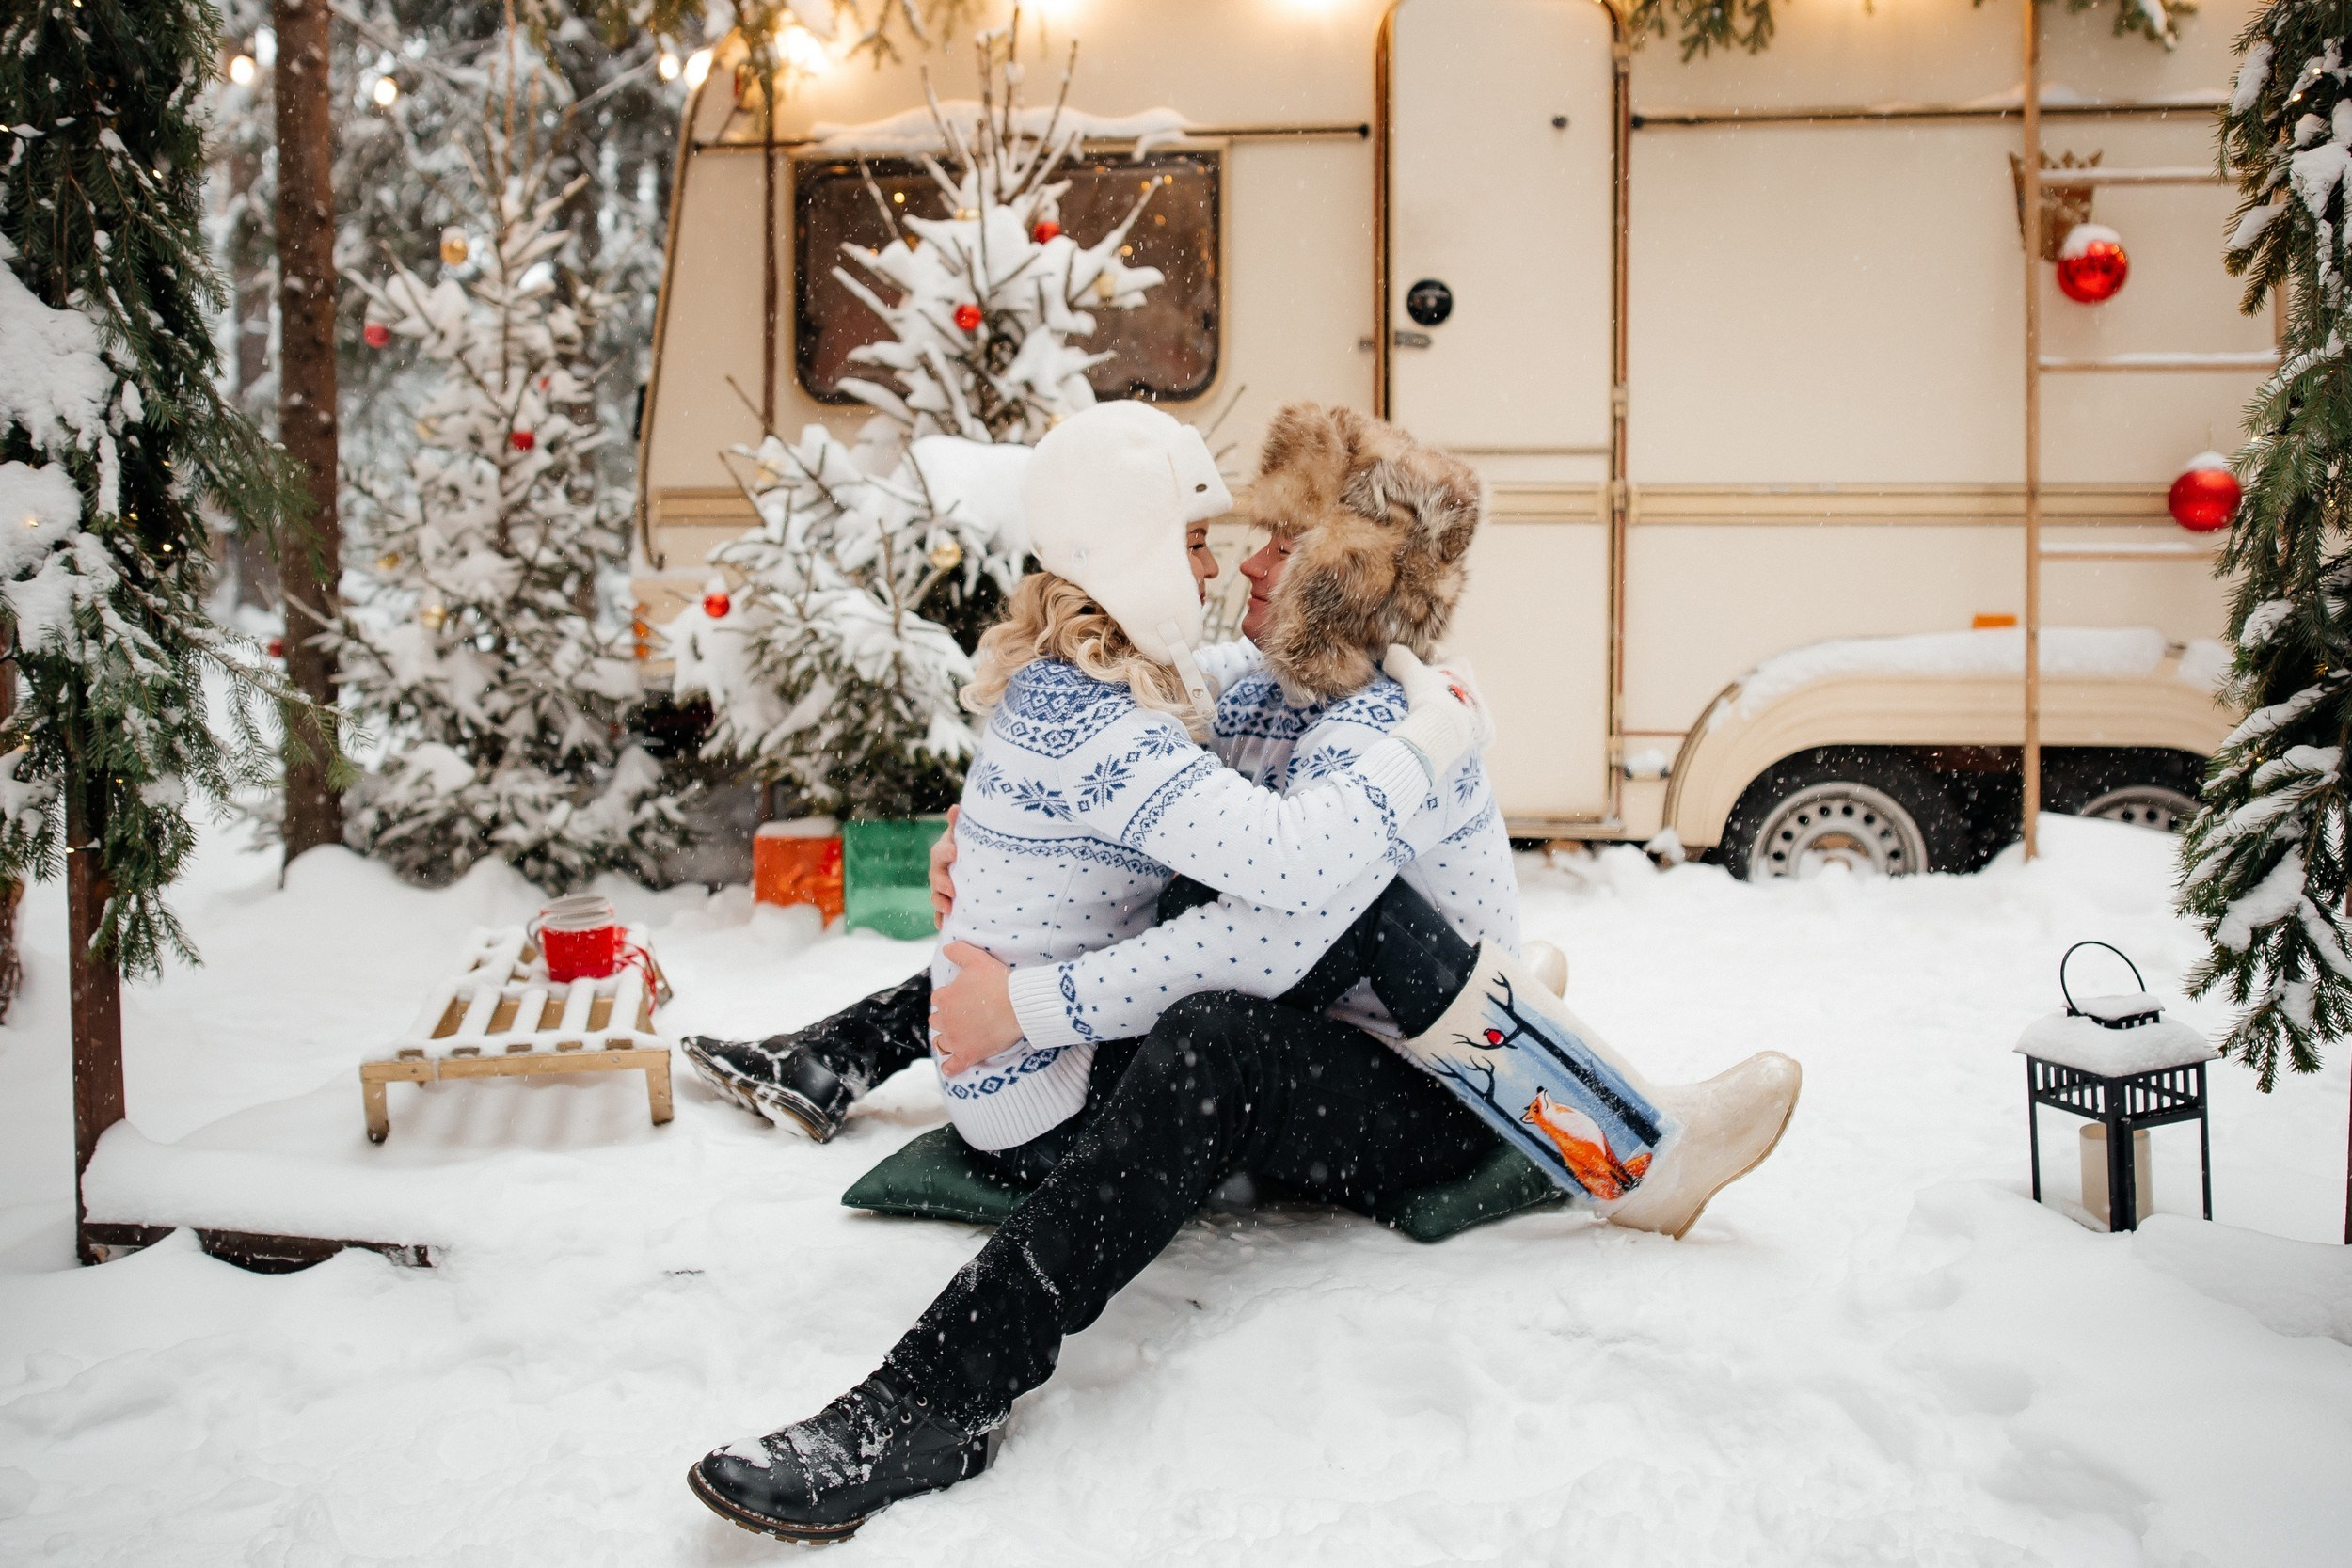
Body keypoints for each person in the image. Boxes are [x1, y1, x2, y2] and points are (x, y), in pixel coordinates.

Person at [683, 403, 1801, 1542]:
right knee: (1168, 901)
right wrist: (991, 842)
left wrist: (1020, 1000)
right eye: (1238, 536)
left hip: (1419, 1091)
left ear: (1347, 579)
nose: (1244, 562)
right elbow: (1131, 739)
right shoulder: (1257, 682)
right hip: (1330, 1024)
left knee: (1249, 982)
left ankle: (1627, 1141)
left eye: (1283, 544)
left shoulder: (1386, 725)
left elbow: (1279, 909)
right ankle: (858, 1060)